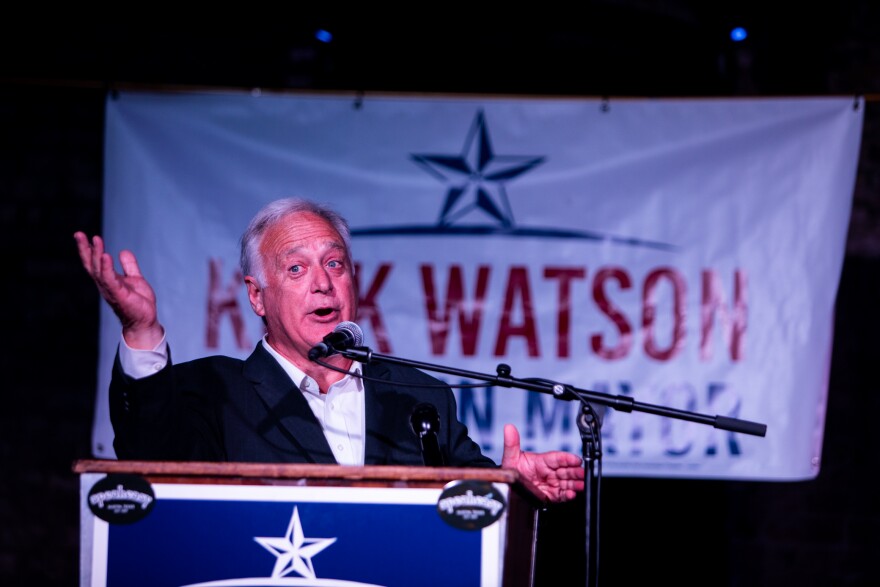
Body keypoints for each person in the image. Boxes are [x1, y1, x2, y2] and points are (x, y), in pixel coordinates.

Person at [74, 197, 585, 502]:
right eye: (296, 269)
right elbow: (148, 455)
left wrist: (506, 482)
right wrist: (141, 330)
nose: (322, 284)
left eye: (335, 265)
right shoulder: (213, 391)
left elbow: (464, 504)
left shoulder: (417, 396)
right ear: (257, 295)